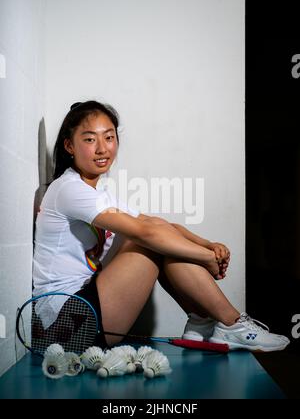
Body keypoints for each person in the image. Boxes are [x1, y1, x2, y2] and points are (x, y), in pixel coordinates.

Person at [32, 100, 289, 352]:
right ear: (69, 146)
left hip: (85, 308)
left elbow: (155, 224)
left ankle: (202, 320)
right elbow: (146, 233)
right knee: (148, 239)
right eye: (89, 139)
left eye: (109, 138)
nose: (102, 148)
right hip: (65, 326)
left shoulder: (99, 194)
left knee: (155, 231)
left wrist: (207, 245)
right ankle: (231, 323)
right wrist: (206, 258)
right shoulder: (68, 189)